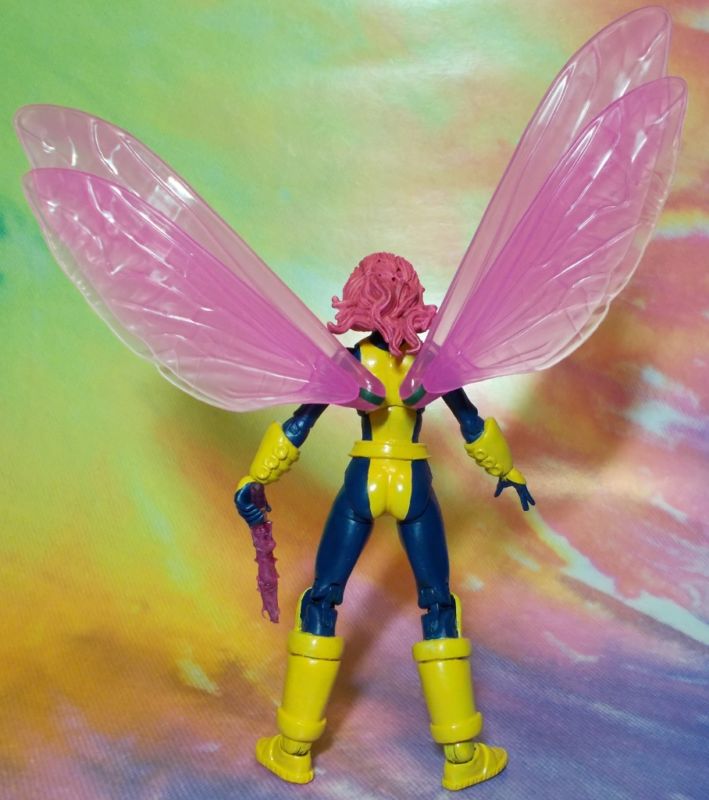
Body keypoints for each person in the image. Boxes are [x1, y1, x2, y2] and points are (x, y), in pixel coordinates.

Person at [236, 252, 533, 791]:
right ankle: (461, 754)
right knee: (438, 602)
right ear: (412, 297)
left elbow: (300, 424)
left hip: (364, 479)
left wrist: (258, 476)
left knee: (322, 597)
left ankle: (294, 747)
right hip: (412, 481)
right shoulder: (429, 365)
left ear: (359, 298)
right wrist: (505, 469)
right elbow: (469, 422)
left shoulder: (352, 363)